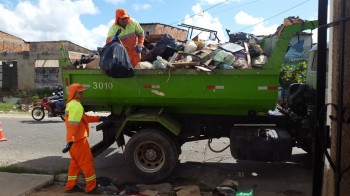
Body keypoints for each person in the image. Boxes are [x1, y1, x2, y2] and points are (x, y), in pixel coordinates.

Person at [62, 83, 107, 194]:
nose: (82, 94)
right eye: (79, 92)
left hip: (73, 141)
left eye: (82, 92)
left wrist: (99, 118)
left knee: (75, 164)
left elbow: (84, 119)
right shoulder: (76, 106)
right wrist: (71, 139)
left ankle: (70, 186)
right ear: (73, 93)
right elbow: (73, 124)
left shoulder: (71, 104)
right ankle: (91, 188)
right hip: (78, 140)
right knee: (87, 163)